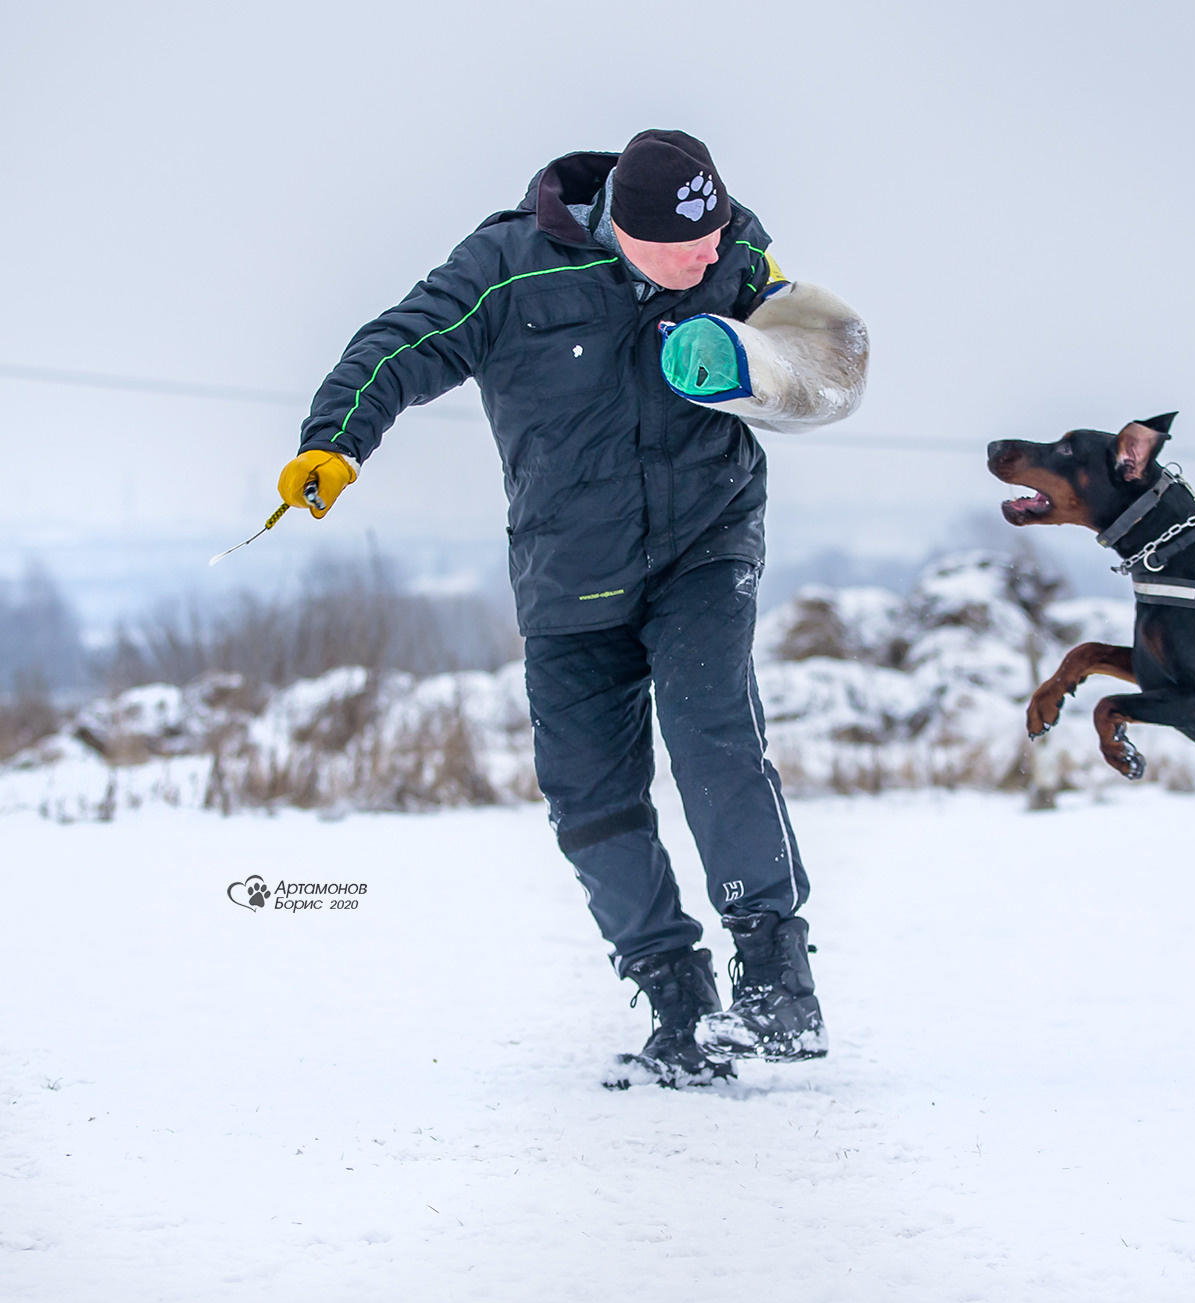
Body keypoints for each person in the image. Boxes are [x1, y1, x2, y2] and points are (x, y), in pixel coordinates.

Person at [281, 130, 867, 1088]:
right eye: (688, 245)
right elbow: (403, 340)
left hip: (705, 540)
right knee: (587, 795)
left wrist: (760, 362)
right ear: (625, 233)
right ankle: (677, 996)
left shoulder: (735, 255)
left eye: (718, 233)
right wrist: (336, 439)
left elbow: (818, 351)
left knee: (711, 729)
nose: (710, 255)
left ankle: (776, 975)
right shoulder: (509, 266)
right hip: (570, 566)